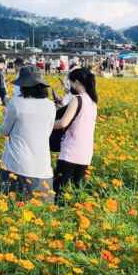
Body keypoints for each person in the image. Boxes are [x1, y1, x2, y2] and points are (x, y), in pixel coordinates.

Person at [0, 66, 56, 202]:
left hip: (17, 165)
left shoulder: (16, 103)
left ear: (22, 86)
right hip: (42, 167)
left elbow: (4, 131)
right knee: (40, 214)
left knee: (12, 208)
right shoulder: (50, 105)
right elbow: (48, 132)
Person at [52, 68, 98, 201]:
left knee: (59, 189)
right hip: (85, 153)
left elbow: (63, 123)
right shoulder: (93, 102)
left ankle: (58, 214)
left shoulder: (77, 99)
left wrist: (45, 124)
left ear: (77, 82)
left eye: (70, 82)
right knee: (77, 190)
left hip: (71, 151)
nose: (70, 86)